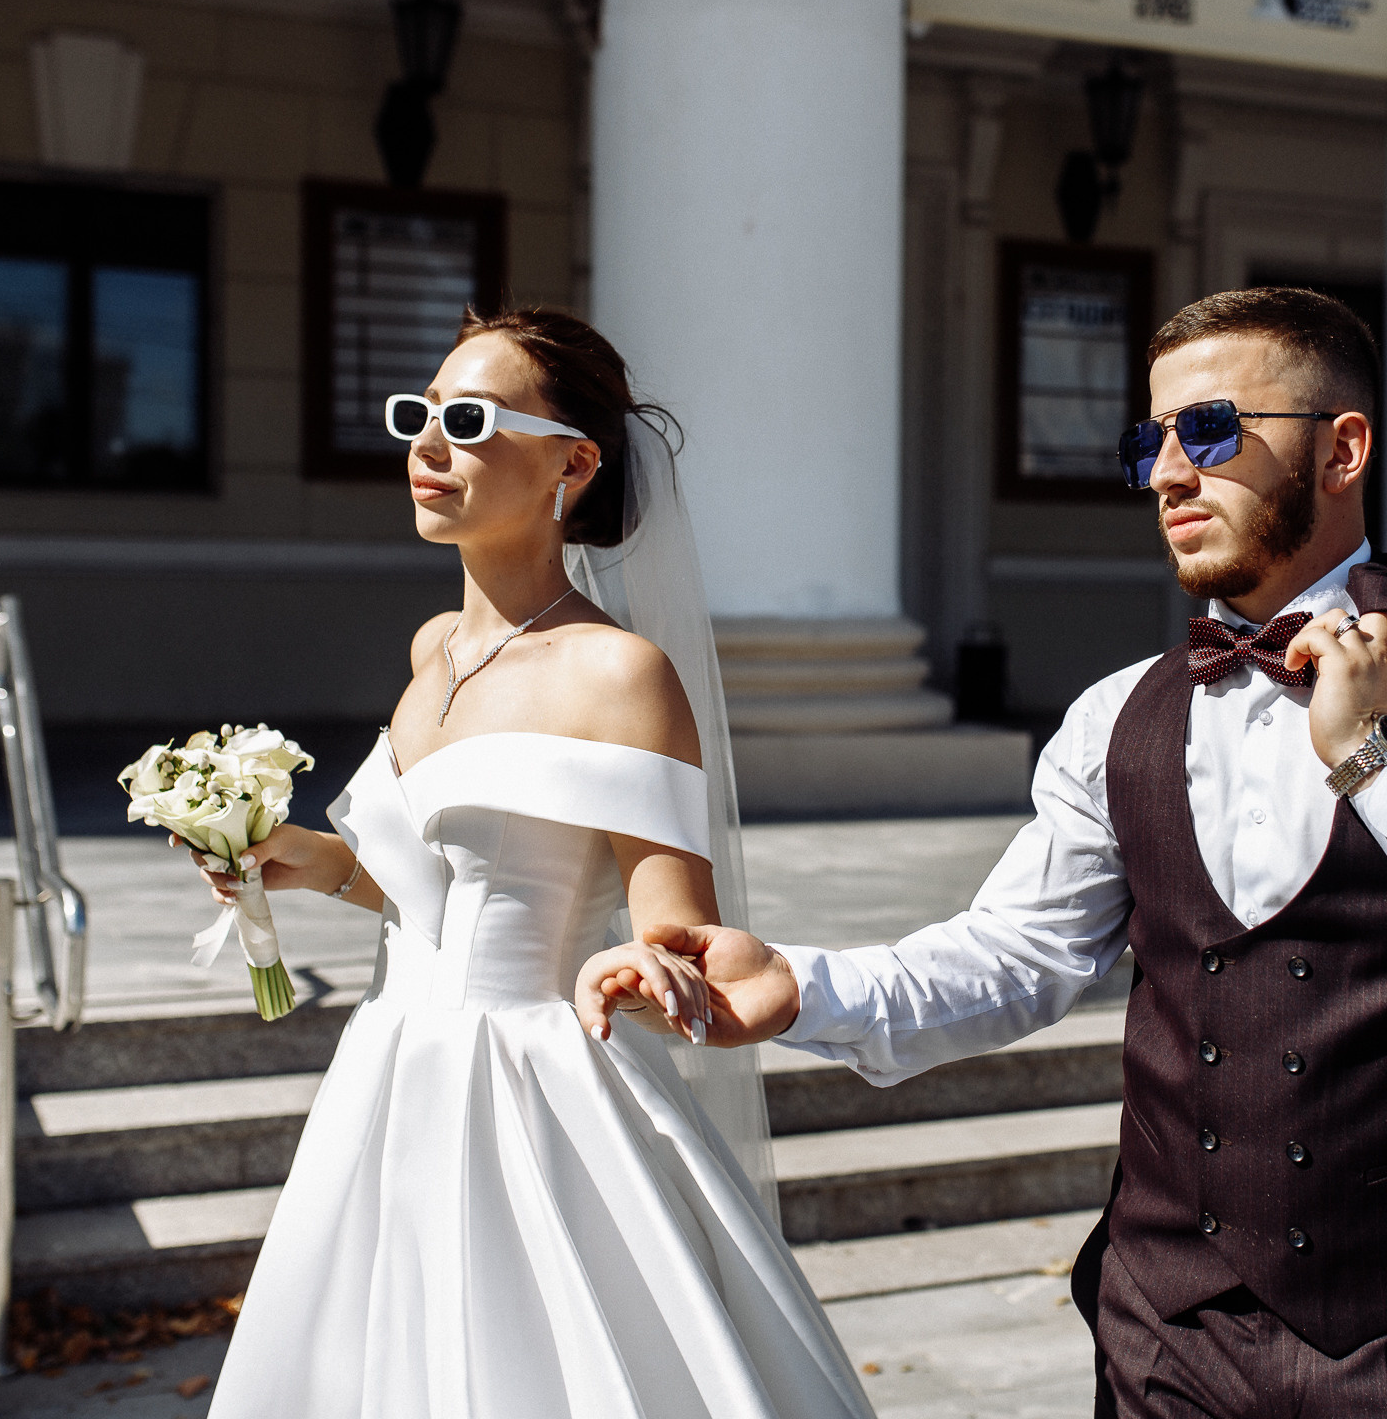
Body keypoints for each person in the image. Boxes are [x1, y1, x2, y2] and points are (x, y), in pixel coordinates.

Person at [583, 289, 1387, 1418]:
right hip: (1160, 1331)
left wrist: (1380, 766)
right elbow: (1019, 953)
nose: (1170, 473)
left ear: (1342, 448)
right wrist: (799, 987)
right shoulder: (1115, 717)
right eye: (1152, 441)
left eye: (1215, 432)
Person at [189, 306, 875, 1418]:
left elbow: (678, 930)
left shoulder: (620, 673)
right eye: (417, 415)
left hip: (534, 1090)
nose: (427, 444)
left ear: (575, 461)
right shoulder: (433, 650)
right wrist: (300, 857)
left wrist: (664, 971)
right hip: (389, 1069)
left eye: (468, 419)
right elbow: (422, 892)